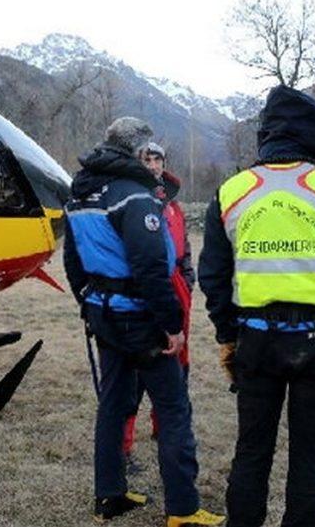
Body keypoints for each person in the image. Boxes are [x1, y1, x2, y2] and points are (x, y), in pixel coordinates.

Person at [198, 85, 315, 527]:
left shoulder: (232, 192)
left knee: (252, 452)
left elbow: (213, 275)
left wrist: (227, 333)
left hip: (255, 341)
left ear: (266, 135)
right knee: (308, 459)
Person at [63, 117, 224, 527]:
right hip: (140, 317)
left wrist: (88, 300)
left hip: (104, 313)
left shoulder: (80, 193)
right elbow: (151, 266)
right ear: (136, 151)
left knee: (113, 406)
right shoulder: (132, 196)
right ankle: (184, 511)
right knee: (173, 411)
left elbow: (72, 259)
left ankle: (109, 496)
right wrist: (172, 324)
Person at [123, 141, 195, 466]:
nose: (152, 165)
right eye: (146, 159)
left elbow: (185, 252)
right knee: (136, 374)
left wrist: (187, 283)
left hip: (176, 291)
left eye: (157, 159)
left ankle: (163, 429)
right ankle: (122, 447)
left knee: (178, 364)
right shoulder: (128, 199)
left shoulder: (172, 204)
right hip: (142, 293)